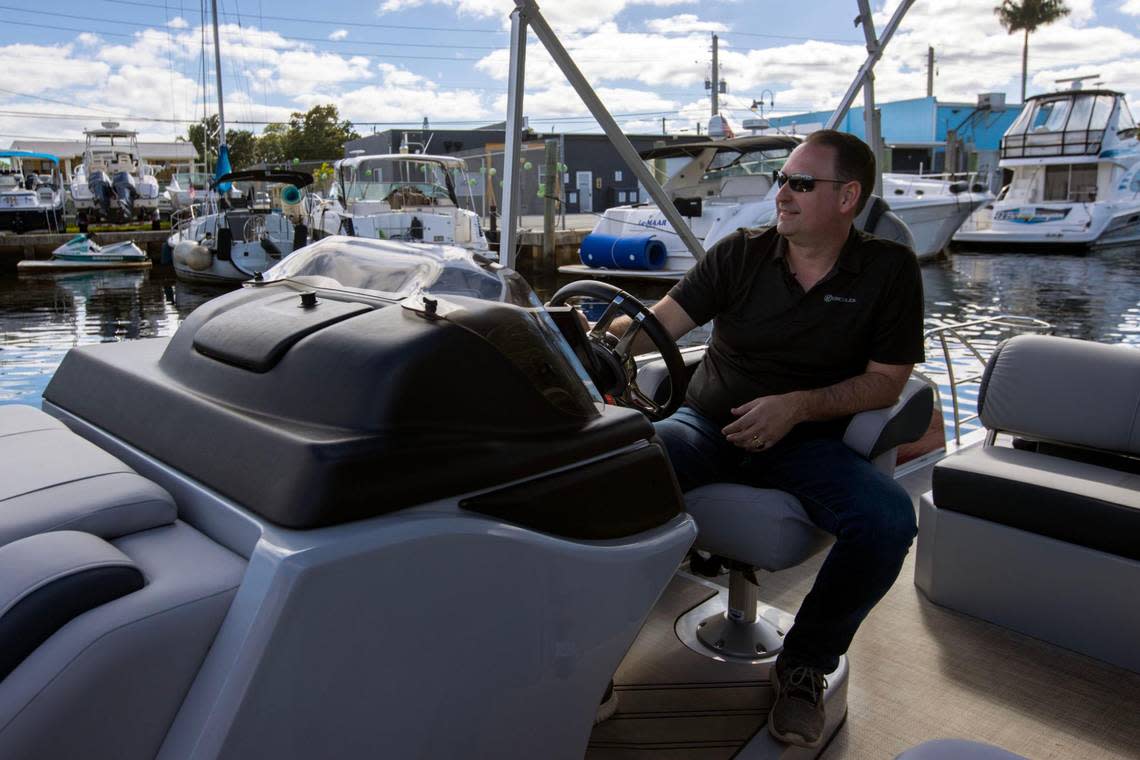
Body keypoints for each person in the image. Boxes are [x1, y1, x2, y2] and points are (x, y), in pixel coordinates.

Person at [609, 129, 924, 748]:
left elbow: (886, 383)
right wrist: (595, 338)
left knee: (889, 520)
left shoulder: (888, 271)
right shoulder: (739, 254)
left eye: (800, 183)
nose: (782, 192)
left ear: (846, 197)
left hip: (808, 443)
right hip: (707, 425)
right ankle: (597, 647)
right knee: (617, 470)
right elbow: (658, 325)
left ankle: (804, 664)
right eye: (781, 179)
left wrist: (797, 408)